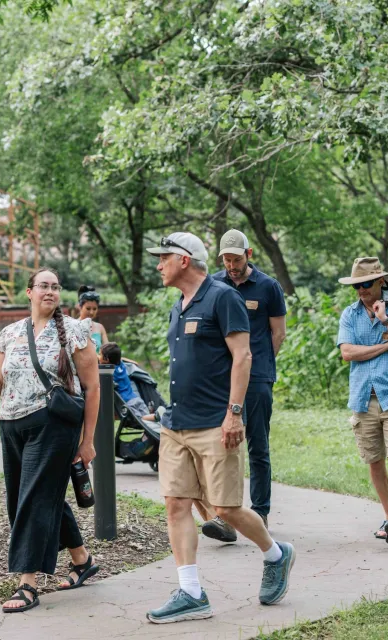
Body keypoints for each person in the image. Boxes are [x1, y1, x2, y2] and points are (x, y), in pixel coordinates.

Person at [145, 232, 296, 623]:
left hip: (215, 421)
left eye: (163, 258)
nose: (158, 265)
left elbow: (243, 356)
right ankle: (191, 592)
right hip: (177, 423)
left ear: (183, 260)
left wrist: (234, 413)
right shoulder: (179, 305)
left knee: (226, 509)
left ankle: (276, 554)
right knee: (176, 504)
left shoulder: (222, 296)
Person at [0, 268, 101, 613]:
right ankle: (82, 560)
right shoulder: (9, 334)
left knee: (33, 500)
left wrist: (88, 440)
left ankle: (27, 584)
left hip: (54, 427)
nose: (49, 291)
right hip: (11, 426)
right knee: (36, 495)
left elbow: (93, 388)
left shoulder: (76, 332)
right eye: (43, 286)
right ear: (29, 292)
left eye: (55, 287)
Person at [201, 229, 287, 541]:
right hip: (221, 380)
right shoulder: (213, 283)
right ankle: (227, 516)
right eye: (227, 259)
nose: (232, 265)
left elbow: (278, 332)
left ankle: (260, 512)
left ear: (248, 255)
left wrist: (257, 366)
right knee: (225, 444)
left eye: (236, 259)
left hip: (258, 377)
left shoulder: (268, 287)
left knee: (258, 445)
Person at [337, 257, 388, 546]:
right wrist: (387, 345)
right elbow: (347, 352)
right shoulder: (349, 315)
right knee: (375, 463)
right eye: (356, 285)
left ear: (380, 282)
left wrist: (387, 321)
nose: (361, 290)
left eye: (366, 284)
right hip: (363, 397)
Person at [100, 341, 157, 459]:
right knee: (148, 424)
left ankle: (157, 417)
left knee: (141, 421)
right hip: (136, 399)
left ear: (106, 359)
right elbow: (120, 358)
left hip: (128, 403)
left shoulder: (110, 371)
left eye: (100, 354)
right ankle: (155, 418)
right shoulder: (120, 365)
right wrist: (130, 361)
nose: (98, 356)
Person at [77, 286, 108, 353]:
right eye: (88, 308)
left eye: (94, 309)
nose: (91, 312)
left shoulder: (100, 327)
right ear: (80, 307)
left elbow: (108, 351)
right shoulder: (72, 326)